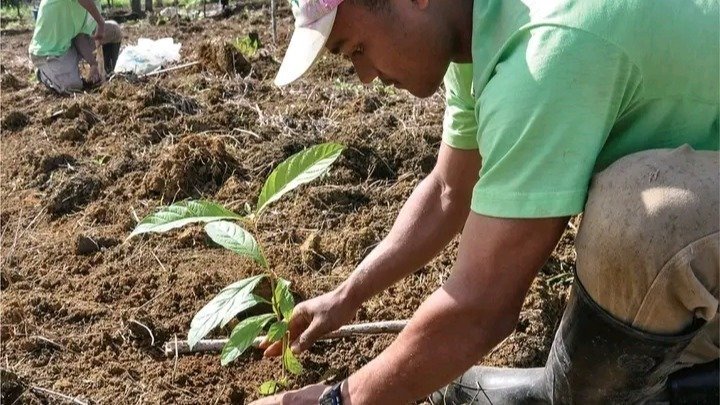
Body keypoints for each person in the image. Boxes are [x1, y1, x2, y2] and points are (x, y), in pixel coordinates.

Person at [253, 0, 719, 403]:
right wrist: (347, 295)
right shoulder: (479, 32)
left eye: (358, 48)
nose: (365, 76)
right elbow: (448, 189)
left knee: (643, 221)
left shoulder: (543, 54)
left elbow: (482, 307)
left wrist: (339, 400)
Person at [28, 0, 123, 94]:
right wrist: (100, 21)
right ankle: (42, 72)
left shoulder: (94, 3)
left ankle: (104, 75)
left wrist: (94, 64)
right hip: (50, 51)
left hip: (71, 40)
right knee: (72, 86)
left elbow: (81, 35)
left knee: (114, 31)